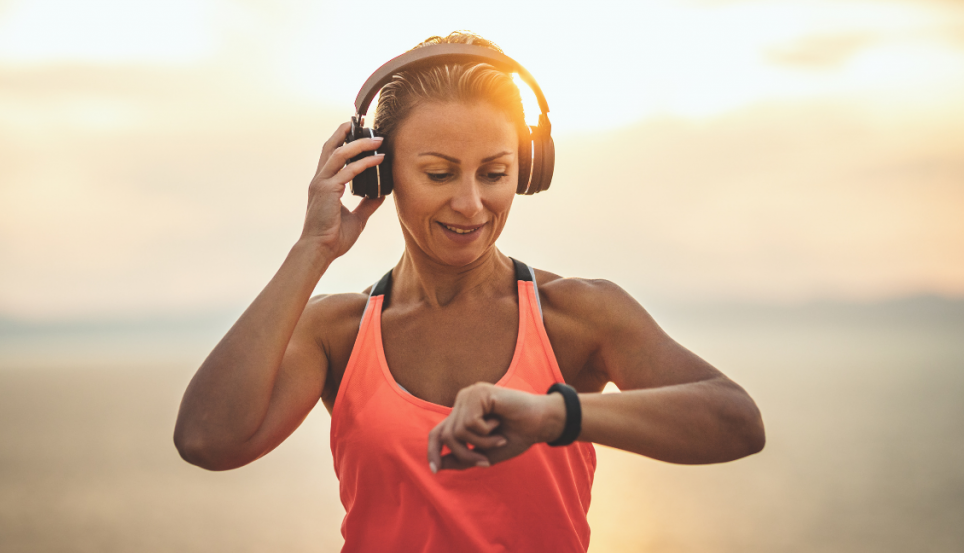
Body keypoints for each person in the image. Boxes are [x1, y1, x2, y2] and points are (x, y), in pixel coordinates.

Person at [174, 32, 765, 552]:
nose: (470, 204)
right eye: (438, 173)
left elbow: (737, 421)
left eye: (494, 173)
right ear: (377, 171)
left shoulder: (579, 315)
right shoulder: (339, 334)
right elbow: (207, 439)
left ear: (526, 171)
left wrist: (553, 415)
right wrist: (313, 249)